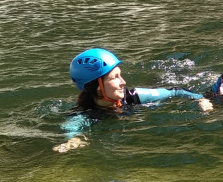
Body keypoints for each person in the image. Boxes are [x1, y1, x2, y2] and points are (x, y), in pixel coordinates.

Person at [56, 48, 211, 152]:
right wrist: (72, 141)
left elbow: (177, 91)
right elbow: (72, 129)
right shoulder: (84, 113)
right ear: (97, 86)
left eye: (120, 75)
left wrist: (201, 99)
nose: (123, 82)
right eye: (115, 77)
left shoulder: (133, 96)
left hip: (159, 87)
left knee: (166, 79)